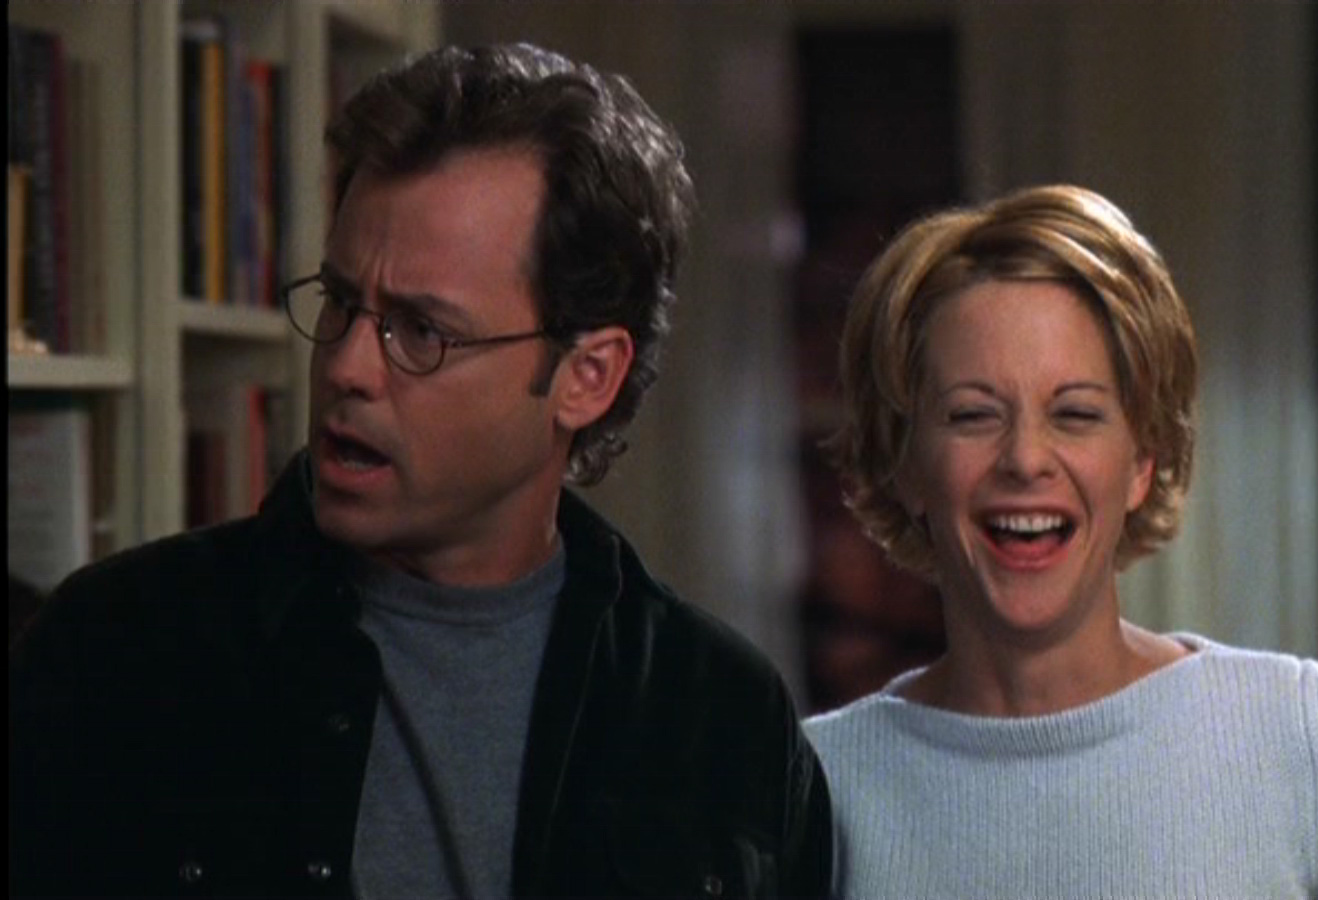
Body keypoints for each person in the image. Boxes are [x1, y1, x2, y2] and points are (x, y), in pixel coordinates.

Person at [10, 43, 830, 899]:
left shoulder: (721, 722)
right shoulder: (114, 654)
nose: (347, 367)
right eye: (341, 302)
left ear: (586, 377)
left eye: (422, 332)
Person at [803, 184, 1318, 899]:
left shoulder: (1315, 744)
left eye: (1075, 414)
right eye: (973, 415)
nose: (1025, 459)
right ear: (905, 463)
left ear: (1143, 461)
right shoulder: (815, 790)